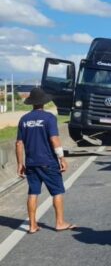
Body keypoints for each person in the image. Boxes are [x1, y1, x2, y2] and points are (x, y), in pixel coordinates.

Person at [15, 87, 76, 234]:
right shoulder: (49, 118)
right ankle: (60, 223)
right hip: (48, 162)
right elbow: (54, 139)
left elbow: (18, 143)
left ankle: (32, 225)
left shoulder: (24, 119)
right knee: (57, 192)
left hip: (31, 163)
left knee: (33, 193)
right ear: (43, 102)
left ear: (32, 102)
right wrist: (62, 158)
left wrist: (20, 164)